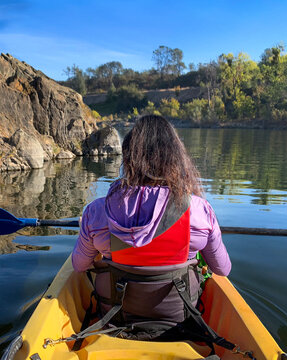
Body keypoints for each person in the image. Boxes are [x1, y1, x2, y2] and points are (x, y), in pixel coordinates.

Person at [71, 114, 231, 341]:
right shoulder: (200, 210)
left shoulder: (96, 212)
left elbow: (79, 266)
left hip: (115, 318)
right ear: (176, 158)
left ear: (128, 158)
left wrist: (89, 232)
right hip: (180, 319)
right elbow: (222, 269)